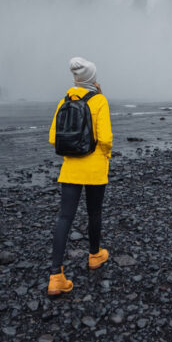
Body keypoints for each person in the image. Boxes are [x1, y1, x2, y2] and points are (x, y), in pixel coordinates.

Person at [47, 56, 112, 296]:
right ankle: (95, 255)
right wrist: (104, 156)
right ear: (92, 79)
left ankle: (56, 276)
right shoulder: (99, 100)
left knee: (65, 218)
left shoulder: (64, 100)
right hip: (95, 168)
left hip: (70, 169)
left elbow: (54, 137)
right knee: (94, 213)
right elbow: (105, 138)